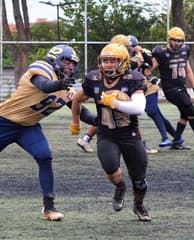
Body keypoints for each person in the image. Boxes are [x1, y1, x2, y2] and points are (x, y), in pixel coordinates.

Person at [0, 45, 97, 221]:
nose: (69, 66)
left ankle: (49, 207)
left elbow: (81, 112)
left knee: (44, 156)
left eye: (72, 63)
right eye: (66, 61)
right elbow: (44, 86)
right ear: (54, 59)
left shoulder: (66, 89)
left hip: (28, 126)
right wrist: (60, 84)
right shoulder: (42, 68)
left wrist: (101, 121)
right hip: (4, 122)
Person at [70, 43, 151, 221]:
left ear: (123, 62)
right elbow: (76, 99)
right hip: (107, 134)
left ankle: (139, 205)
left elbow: (139, 107)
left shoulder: (133, 78)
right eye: (105, 61)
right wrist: (75, 122)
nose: (108, 65)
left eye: (113, 61)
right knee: (111, 169)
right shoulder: (94, 78)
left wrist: (114, 103)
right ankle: (120, 187)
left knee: (139, 180)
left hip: (130, 135)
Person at [151, 27, 194, 150]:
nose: (177, 43)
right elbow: (148, 69)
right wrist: (150, 77)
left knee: (185, 114)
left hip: (181, 88)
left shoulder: (185, 51)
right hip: (170, 90)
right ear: (169, 40)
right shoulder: (161, 53)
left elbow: (188, 71)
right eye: (174, 40)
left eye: (180, 41)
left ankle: (176, 142)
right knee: (191, 111)